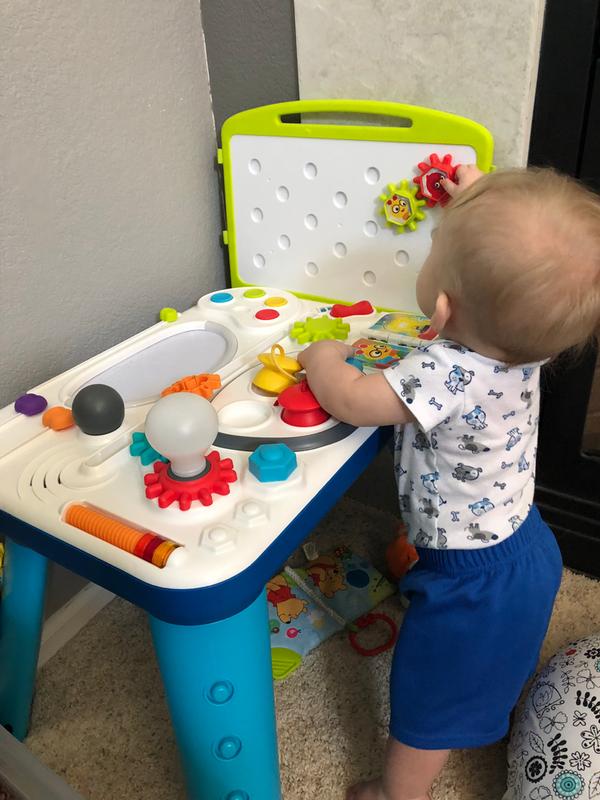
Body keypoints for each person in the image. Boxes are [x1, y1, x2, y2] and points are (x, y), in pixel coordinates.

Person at [298, 165, 600, 800]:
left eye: (435, 248)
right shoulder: (526, 339)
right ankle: (486, 704)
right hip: (526, 545)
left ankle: (396, 794)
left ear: (441, 309)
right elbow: (517, 278)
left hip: (470, 578)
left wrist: (322, 357)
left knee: (425, 705)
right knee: (491, 657)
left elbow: (353, 399)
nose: (432, 249)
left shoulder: (443, 368)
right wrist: (474, 202)